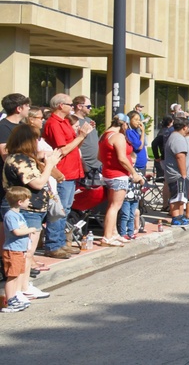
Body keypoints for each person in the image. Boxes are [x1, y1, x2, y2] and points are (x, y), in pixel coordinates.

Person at [2, 125, 59, 294]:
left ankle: (24, 286)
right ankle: (20, 290)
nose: (38, 142)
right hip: (28, 209)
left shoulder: (21, 157)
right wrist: (50, 165)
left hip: (33, 208)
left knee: (27, 252)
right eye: (35, 139)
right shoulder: (20, 160)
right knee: (25, 252)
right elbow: (38, 183)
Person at [41, 94, 92, 259]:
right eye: (70, 104)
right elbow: (62, 149)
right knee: (59, 209)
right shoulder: (54, 123)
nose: (72, 107)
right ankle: (53, 244)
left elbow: (74, 146)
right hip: (62, 171)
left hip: (71, 170)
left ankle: (61, 242)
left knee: (66, 208)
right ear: (60, 105)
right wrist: (81, 136)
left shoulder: (64, 122)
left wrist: (82, 135)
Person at [98, 115, 144, 246]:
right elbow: (122, 158)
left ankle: (113, 233)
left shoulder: (104, 136)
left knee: (112, 205)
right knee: (115, 206)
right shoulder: (117, 136)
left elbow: (99, 156)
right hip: (118, 175)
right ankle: (107, 237)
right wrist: (133, 172)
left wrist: (109, 164)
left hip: (109, 173)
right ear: (124, 124)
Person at [3, 186, 38, 312]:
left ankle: (13, 297)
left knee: (17, 275)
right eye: (27, 200)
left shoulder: (18, 215)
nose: (29, 202)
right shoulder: (11, 215)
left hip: (19, 250)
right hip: (13, 250)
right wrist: (31, 230)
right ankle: (10, 300)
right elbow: (16, 232)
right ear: (20, 202)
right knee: (12, 276)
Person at [163, 116, 189, 227]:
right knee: (177, 197)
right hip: (178, 175)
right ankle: (176, 218)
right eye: (188, 127)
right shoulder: (177, 138)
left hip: (180, 175)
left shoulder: (179, 137)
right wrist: (184, 174)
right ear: (185, 127)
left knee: (181, 198)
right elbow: (180, 156)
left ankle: (181, 217)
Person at [0, 93, 31, 159]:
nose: (29, 108)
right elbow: (5, 154)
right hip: (14, 167)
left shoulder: (23, 126)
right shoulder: (3, 127)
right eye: (26, 105)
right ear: (19, 109)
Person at [125, 110, 148, 177]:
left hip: (142, 166)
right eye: (136, 119)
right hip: (136, 166)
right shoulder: (129, 132)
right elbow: (139, 146)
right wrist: (143, 132)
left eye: (139, 119)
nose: (138, 122)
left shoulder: (135, 131)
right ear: (129, 120)